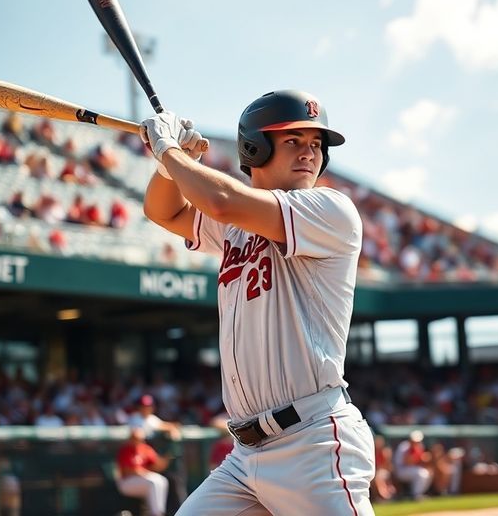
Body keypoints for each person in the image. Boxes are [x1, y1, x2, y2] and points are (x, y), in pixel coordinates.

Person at [141, 90, 375, 514]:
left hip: (313, 442)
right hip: (244, 455)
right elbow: (164, 212)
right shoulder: (234, 228)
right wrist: (166, 166)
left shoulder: (331, 209)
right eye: (293, 141)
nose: (310, 153)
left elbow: (221, 201)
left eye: (316, 144)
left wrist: (171, 151)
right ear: (254, 148)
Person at [116, 426, 171, 516]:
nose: (137, 441)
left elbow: (157, 465)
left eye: (139, 439)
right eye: (134, 438)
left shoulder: (145, 448)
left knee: (162, 480)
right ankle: (155, 513)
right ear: (130, 438)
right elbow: (128, 471)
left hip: (142, 480)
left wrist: (166, 459)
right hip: (126, 482)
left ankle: (158, 512)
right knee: (153, 482)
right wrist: (146, 472)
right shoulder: (125, 450)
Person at [393, 430, 432, 500]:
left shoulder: (419, 446)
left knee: (427, 472)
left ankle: (418, 493)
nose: (416, 442)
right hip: (401, 470)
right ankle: (416, 495)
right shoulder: (404, 447)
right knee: (422, 474)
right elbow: (407, 462)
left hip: (411, 469)